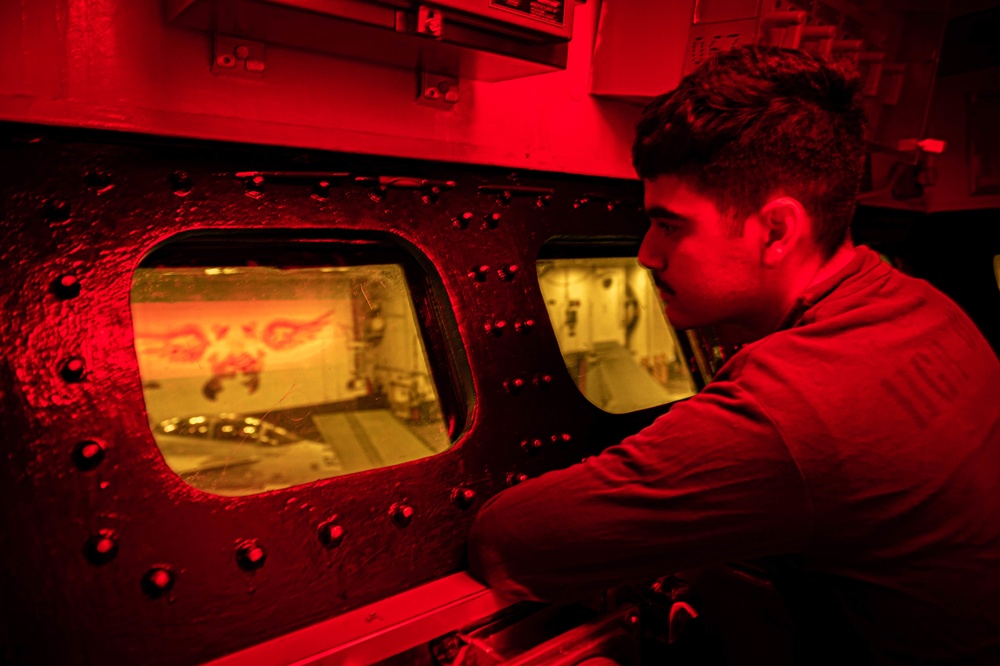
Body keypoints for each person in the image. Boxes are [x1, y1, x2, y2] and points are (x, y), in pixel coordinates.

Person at [467, 46, 1000, 665]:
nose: (646, 255)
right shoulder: (925, 306)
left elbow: (512, 543)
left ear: (776, 230)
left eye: (671, 226)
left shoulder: (793, 407)